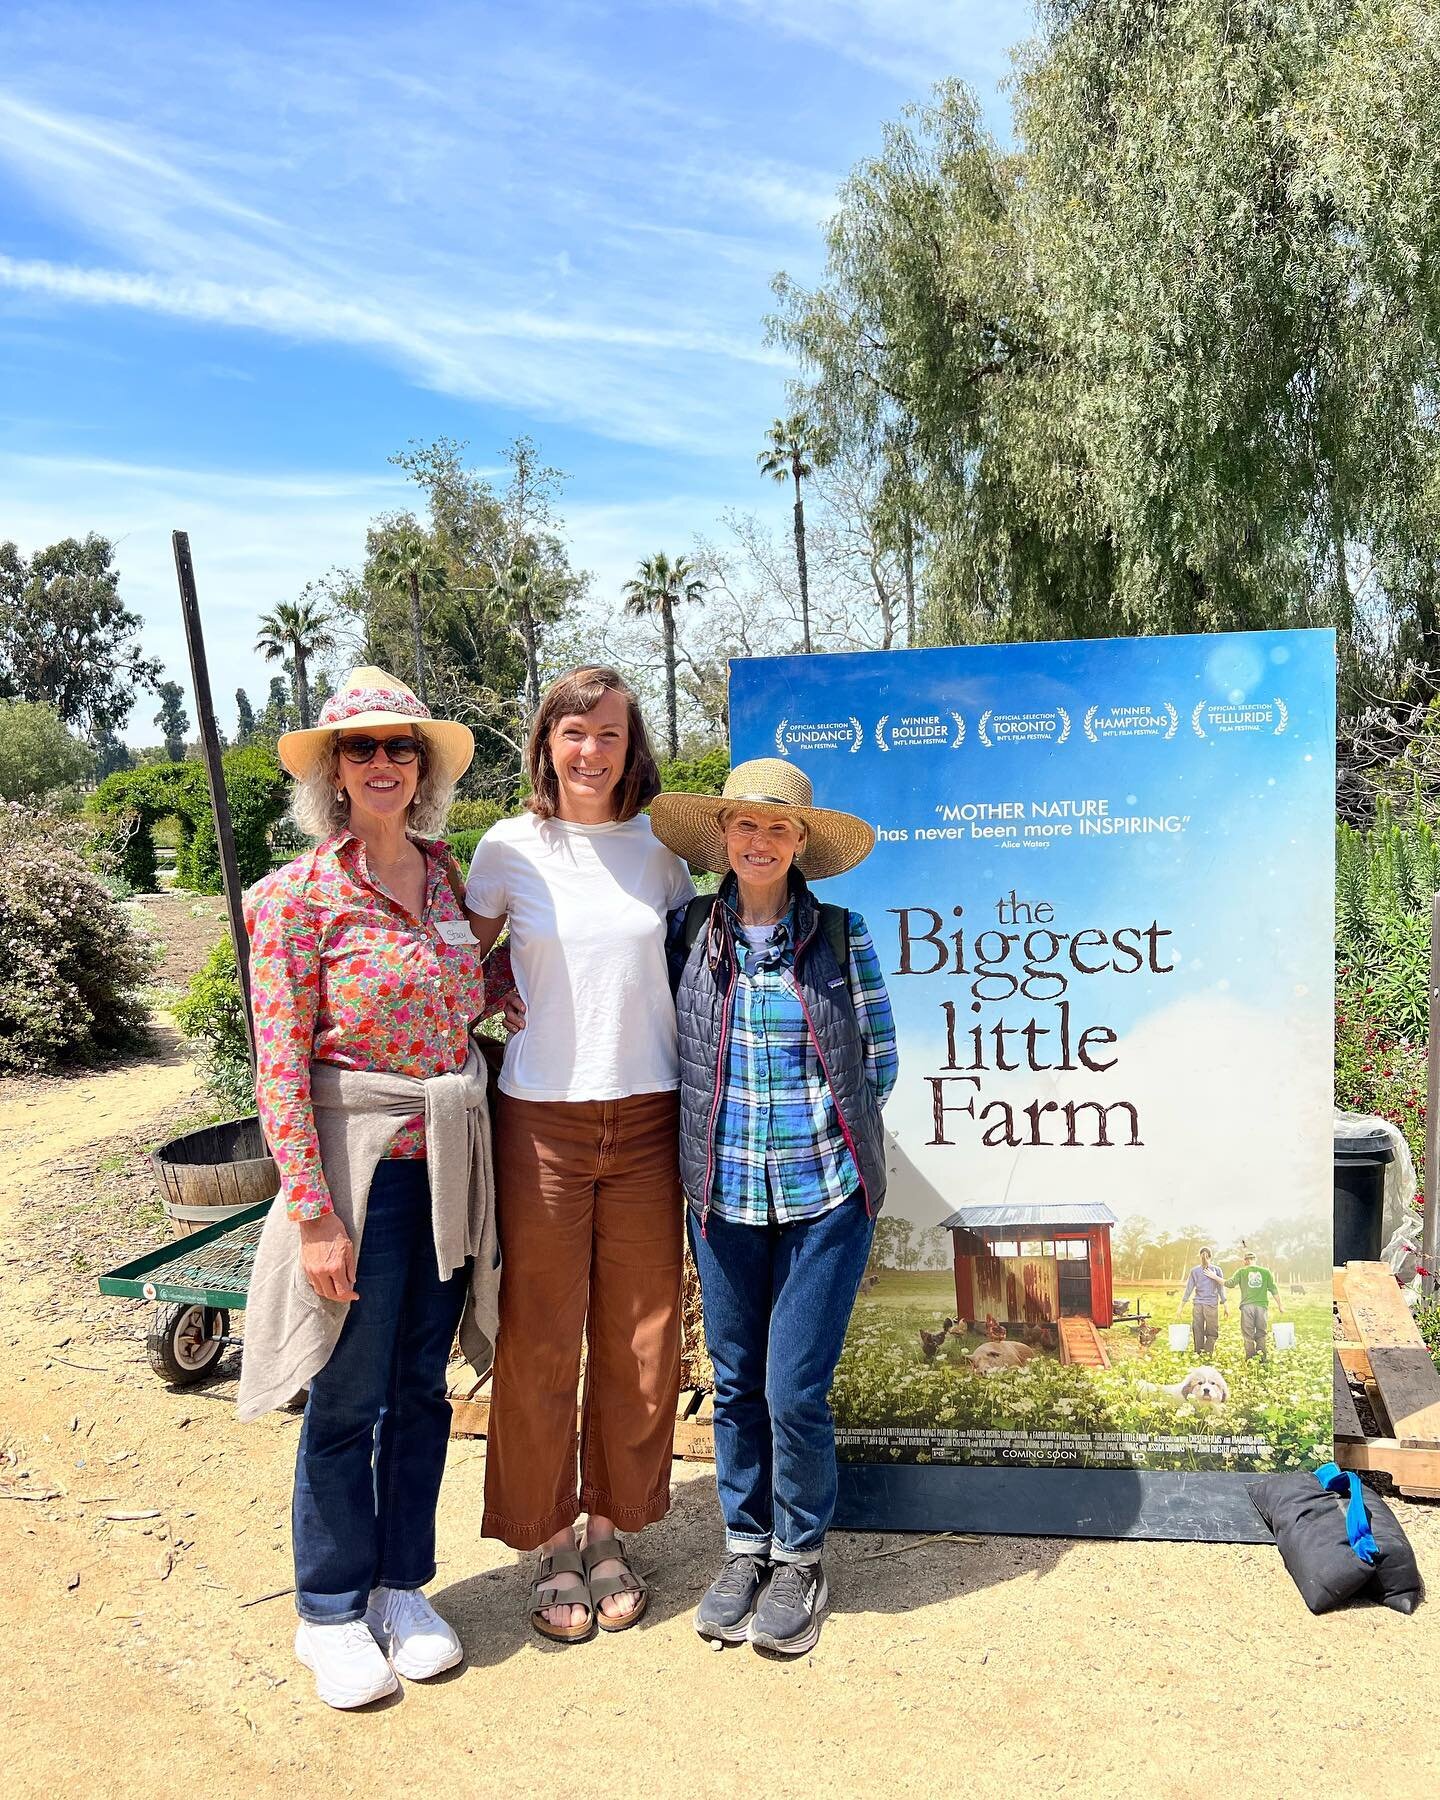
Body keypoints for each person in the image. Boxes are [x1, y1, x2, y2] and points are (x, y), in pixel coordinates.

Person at [237, 666, 509, 1710]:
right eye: (363, 750)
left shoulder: (446, 882)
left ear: (425, 768)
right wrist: (311, 1213)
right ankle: (330, 1608)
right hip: (359, 1175)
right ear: (335, 775)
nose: (384, 765)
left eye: (402, 748)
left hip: (447, 1168)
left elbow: (457, 986)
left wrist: (503, 991)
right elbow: (281, 1066)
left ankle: (402, 1586)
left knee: (420, 1391)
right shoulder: (298, 900)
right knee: (347, 1398)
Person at [462, 667, 695, 1642]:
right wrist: (491, 997)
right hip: (542, 1124)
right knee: (541, 1337)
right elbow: (454, 970)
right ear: (546, 744)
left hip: (648, 1117)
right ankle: (546, 1536)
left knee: (644, 1340)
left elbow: (690, 974)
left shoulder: (663, 854)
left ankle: (610, 1529)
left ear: (630, 744)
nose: (591, 751)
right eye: (573, 733)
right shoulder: (509, 848)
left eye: (608, 733)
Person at [648, 756, 897, 1656]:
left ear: (801, 846)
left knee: (794, 1389)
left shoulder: (838, 935)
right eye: (745, 825)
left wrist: (825, 1138)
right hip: (720, 1199)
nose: (760, 841)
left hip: (824, 1197)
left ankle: (800, 1558)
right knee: (737, 1381)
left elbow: (881, 1060)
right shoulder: (684, 936)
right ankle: (742, 1547)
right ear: (722, 837)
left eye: (778, 828)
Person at [1227, 1250, 1283, 1360]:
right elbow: (1274, 1289)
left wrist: (1215, 1277)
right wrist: (1280, 1305)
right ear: (1255, 1260)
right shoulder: (1266, 1272)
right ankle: (1262, 1359)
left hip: (1247, 1307)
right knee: (1261, 1333)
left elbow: (1230, 1284)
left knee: (1248, 1335)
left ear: (1245, 1261)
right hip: (1261, 1307)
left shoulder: (1241, 1272)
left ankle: (1250, 1359)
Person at [1177, 1247, 1227, 1357]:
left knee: (1197, 1330)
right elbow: (1221, 1289)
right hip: (1211, 1305)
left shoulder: (1194, 1271)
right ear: (1211, 1256)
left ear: (1200, 1256)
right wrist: (1225, 1306)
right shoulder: (1217, 1270)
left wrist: (1180, 1307)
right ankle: (1207, 1353)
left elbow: (1188, 1290)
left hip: (1198, 1305)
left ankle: (1198, 1353)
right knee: (1212, 1332)